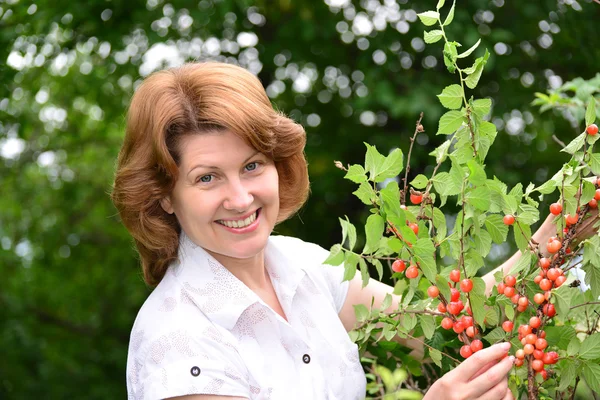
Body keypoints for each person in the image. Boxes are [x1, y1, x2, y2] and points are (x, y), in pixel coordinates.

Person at [111, 61, 590, 400]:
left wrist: (563, 226)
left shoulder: (302, 268)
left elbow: (455, 317)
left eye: (253, 165)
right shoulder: (176, 343)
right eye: (207, 177)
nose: (241, 198)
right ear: (164, 196)